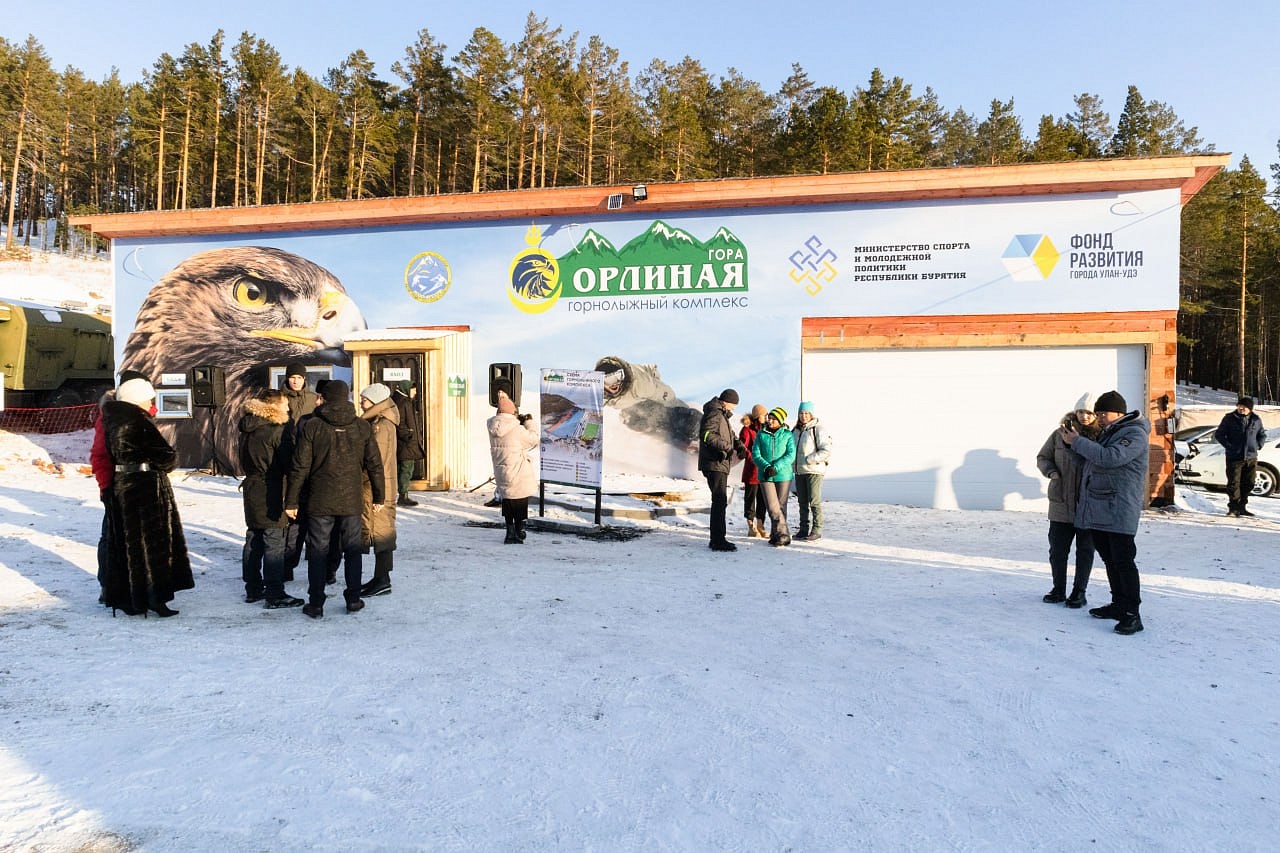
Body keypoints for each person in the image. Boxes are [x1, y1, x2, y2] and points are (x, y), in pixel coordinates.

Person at [285, 379, 385, 619]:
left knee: (318, 550)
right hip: (351, 499)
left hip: (319, 499)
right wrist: (380, 495)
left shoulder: (312, 426)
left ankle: (316, 603)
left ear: (325, 397)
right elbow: (375, 464)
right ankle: (353, 598)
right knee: (352, 549)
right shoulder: (362, 426)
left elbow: (300, 467)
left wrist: (291, 501)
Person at [100, 377, 194, 617]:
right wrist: (168, 456)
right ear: (138, 398)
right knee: (152, 543)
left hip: (122, 484)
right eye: (148, 397)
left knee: (127, 544)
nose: (151, 401)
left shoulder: (111, 419)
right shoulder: (138, 421)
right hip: (145, 486)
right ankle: (155, 597)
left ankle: (129, 598)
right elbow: (166, 457)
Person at [1061, 390, 1150, 635]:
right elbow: (1093, 462)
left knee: (1123, 561)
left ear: (1119, 413)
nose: (1099, 417)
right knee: (1110, 560)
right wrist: (1071, 446)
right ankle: (1119, 604)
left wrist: (1078, 442)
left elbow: (1110, 458)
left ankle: (1133, 614)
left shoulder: (1133, 433)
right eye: (1098, 413)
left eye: (1103, 413)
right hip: (1102, 508)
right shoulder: (1110, 432)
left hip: (1119, 508)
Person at [238, 389, 304, 609]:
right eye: (284, 404)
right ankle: (275, 593)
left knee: (254, 538)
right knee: (274, 541)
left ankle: (253, 588)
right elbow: (289, 464)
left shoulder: (248, 426)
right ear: (273, 407)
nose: (288, 408)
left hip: (252, 486)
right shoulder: (277, 430)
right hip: (273, 488)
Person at [90, 368, 149, 604]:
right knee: (111, 538)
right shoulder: (110, 418)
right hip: (117, 486)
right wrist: (106, 487)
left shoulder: (134, 413)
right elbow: (100, 456)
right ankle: (109, 585)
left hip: (136, 485)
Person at [1036, 392, 1100, 608]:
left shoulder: (1101, 436)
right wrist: (1052, 472)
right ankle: (1058, 589)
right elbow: (1043, 457)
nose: (1084, 416)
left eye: (1090, 413)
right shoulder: (1059, 434)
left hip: (1088, 505)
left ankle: (1079, 593)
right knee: (1057, 550)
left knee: (1085, 551)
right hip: (1061, 502)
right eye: (1081, 411)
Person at [358, 383, 399, 596]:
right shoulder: (377, 422)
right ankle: (379, 577)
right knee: (379, 530)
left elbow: (378, 461)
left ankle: (383, 579)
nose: (360, 403)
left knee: (382, 532)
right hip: (379, 485)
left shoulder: (381, 425)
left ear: (374, 401)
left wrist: (377, 493)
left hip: (379, 486)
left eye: (364, 399)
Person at [487, 390, 539, 544]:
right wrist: (529, 422)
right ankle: (519, 529)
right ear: (512, 412)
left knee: (508, 500)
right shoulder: (516, 428)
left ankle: (510, 533)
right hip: (517, 470)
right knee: (520, 500)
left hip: (502, 470)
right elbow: (534, 440)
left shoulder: (493, 426)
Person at [699, 388, 747, 552]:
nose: (734, 409)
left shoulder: (721, 415)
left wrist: (739, 445)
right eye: (733, 405)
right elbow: (707, 435)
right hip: (715, 462)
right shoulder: (714, 413)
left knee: (719, 501)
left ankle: (718, 538)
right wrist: (727, 448)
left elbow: (730, 435)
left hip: (719, 463)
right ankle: (718, 540)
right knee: (719, 501)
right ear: (727, 402)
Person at [1214, 396, 1267, 518]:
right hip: (1234, 457)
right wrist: (1229, 446)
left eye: (1244, 407)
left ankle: (1242, 507)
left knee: (1249, 483)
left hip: (1251, 457)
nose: (1241, 408)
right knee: (1234, 483)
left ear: (1250, 409)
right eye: (1239, 406)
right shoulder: (1229, 418)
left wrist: (1258, 445)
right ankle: (1233, 508)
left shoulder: (1256, 419)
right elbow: (1219, 434)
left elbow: (1262, 435)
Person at [752, 407, 797, 547]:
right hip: (765, 475)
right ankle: (784, 535)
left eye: (773, 418)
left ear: (780, 420)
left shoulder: (787, 434)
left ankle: (776, 535)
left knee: (781, 507)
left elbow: (791, 454)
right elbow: (755, 454)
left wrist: (776, 467)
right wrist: (766, 467)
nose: (770, 420)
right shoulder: (761, 434)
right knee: (772, 507)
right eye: (769, 418)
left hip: (783, 475)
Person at [792, 401, 832, 542]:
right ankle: (803, 529)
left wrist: (810, 459)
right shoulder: (795, 431)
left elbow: (826, 450)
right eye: (801, 413)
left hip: (814, 470)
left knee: (814, 501)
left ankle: (817, 530)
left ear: (811, 414)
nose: (804, 416)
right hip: (799, 471)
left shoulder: (818, 429)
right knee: (802, 502)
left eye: (806, 413)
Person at [392, 380, 425, 507]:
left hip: (405, 443)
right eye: (414, 389)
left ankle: (401, 494)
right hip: (406, 443)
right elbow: (399, 423)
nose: (415, 392)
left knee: (403, 469)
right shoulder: (403, 402)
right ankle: (403, 496)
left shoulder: (402, 400)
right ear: (407, 389)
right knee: (406, 469)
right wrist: (409, 435)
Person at [739, 405, 768, 538]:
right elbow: (743, 449)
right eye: (764, 414)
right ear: (757, 416)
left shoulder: (767, 429)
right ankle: (751, 525)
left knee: (763, 500)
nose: (766, 417)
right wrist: (756, 459)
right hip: (752, 470)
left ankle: (761, 524)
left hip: (764, 471)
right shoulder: (747, 430)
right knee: (750, 499)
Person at [281, 363, 315, 427]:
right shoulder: (279, 398)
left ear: (304, 378)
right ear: (287, 378)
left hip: (306, 435)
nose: (295, 381)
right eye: (292, 377)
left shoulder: (314, 398)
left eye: (299, 377)